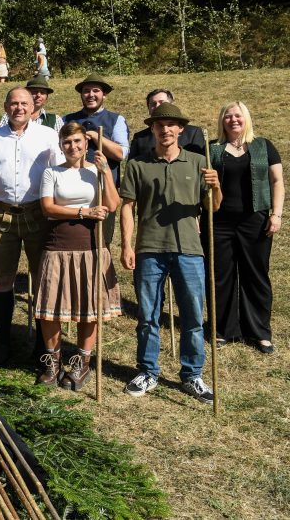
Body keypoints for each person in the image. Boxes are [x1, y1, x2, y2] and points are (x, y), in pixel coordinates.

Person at [120, 102, 221, 404]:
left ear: (180, 129)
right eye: (159, 124)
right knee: (148, 315)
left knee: (192, 315)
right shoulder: (138, 164)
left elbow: (212, 208)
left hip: (189, 250)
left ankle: (192, 375)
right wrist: (127, 244)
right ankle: (148, 370)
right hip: (149, 249)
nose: (165, 129)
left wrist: (215, 188)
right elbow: (127, 207)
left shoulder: (198, 162)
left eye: (171, 124)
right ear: (152, 128)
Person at [0, 87, 64, 364]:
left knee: (42, 279)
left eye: (23, 103)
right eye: (13, 103)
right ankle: (3, 342)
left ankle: (41, 345)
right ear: (5, 106)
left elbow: (59, 174)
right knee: (2, 279)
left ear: (32, 105)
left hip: (38, 212)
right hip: (1, 215)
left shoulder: (48, 136)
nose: (19, 108)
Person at [35, 123, 121, 390]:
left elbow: (113, 204)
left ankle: (82, 362)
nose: (73, 146)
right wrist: (84, 212)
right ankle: (53, 362)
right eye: (67, 142)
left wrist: (106, 172)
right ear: (61, 145)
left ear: (86, 143)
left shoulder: (96, 171)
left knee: (89, 308)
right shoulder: (52, 172)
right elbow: (48, 207)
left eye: (77, 141)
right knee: (50, 311)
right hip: (57, 246)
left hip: (91, 247)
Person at [206, 102, 283, 353]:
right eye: (228, 116)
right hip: (220, 221)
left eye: (238, 116)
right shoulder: (213, 149)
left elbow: (277, 181)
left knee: (256, 275)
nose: (233, 120)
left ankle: (259, 332)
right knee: (220, 276)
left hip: (256, 220)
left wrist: (277, 214)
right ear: (222, 121)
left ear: (246, 118)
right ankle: (222, 330)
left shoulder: (263, 146)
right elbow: (202, 187)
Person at [64, 75, 129, 244]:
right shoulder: (67, 119)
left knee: (101, 241)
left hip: (104, 190)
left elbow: (121, 153)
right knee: (73, 240)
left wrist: (94, 136)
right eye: (86, 91)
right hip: (72, 190)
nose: (91, 95)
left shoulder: (116, 120)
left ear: (104, 94)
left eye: (96, 91)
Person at [129, 89, 206, 158]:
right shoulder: (140, 138)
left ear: (171, 105)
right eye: (153, 104)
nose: (157, 106)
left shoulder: (193, 133)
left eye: (162, 102)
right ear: (148, 109)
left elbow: (201, 163)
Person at [0, 75, 64, 132]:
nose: (38, 95)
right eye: (35, 92)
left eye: (42, 92)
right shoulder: (8, 117)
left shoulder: (55, 120)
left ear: (47, 97)